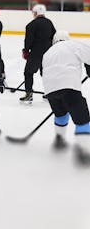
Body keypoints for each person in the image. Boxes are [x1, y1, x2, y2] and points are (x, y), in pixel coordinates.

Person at [42, 30, 90, 165]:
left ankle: (59, 140)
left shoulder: (48, 52)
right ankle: (83, 151)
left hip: (50, 89)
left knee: (61, 114)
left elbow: (44, 71)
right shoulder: (73, 45)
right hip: (69, 86)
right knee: (81, 118)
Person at [20, 4, 56, 103]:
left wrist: (26, 51)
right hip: (48, 52)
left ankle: (28, 93)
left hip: (36, 53)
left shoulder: (31, 25)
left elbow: (28, 40)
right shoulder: (49, 23)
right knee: (46, 73)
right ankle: (50, 93)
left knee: (28, 72)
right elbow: (54, 36)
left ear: (35, 13)